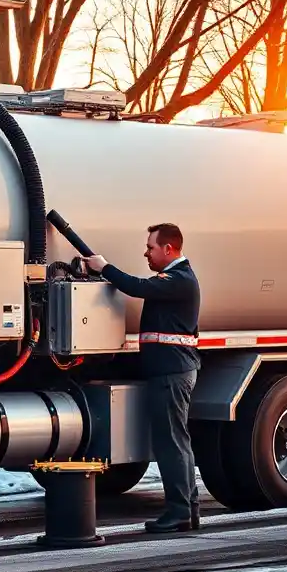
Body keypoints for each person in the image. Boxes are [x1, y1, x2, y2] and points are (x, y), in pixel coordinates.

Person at [84, 223, 201, 534]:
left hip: (171, 373)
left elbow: (138, 287)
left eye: (150, 247)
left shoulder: (179, 280)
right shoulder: (178, 280)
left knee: (170, 443)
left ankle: (179, 512)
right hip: (170, 371)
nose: (146, 252)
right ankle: (188, 511)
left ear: (169, 249)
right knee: (177, 442)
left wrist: (104, 267)